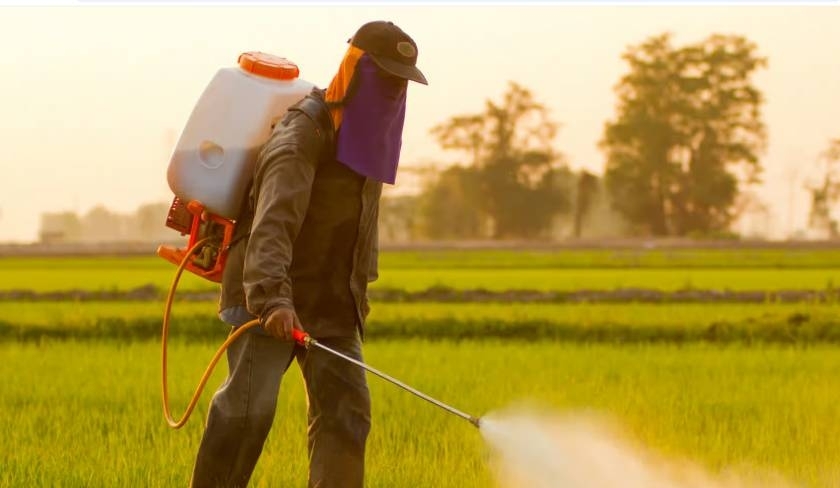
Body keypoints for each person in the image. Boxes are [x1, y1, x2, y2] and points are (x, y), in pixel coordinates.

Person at [189, 20, 427, 488]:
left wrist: (356, 298)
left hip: (330, 301)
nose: (396, 88)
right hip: (266, 289)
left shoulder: (368, 143)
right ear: (356, 68)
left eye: (403, 80)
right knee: (247, 412)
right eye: (387, 75)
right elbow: (272, 224)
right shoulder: (302, 135)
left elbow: (361, 230)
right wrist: (274, 297)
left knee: (347, 414)